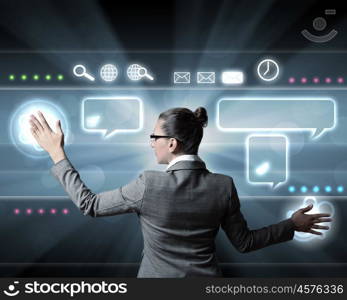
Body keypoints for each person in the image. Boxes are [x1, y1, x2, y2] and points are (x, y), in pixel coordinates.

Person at [29, 107, 332, 278]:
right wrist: (292, 225)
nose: (151, 142)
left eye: (154, 136)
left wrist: (57, 154)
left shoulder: (148, 184)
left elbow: (90, 205)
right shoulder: (223, 185)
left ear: (171, 143)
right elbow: (245, 243)